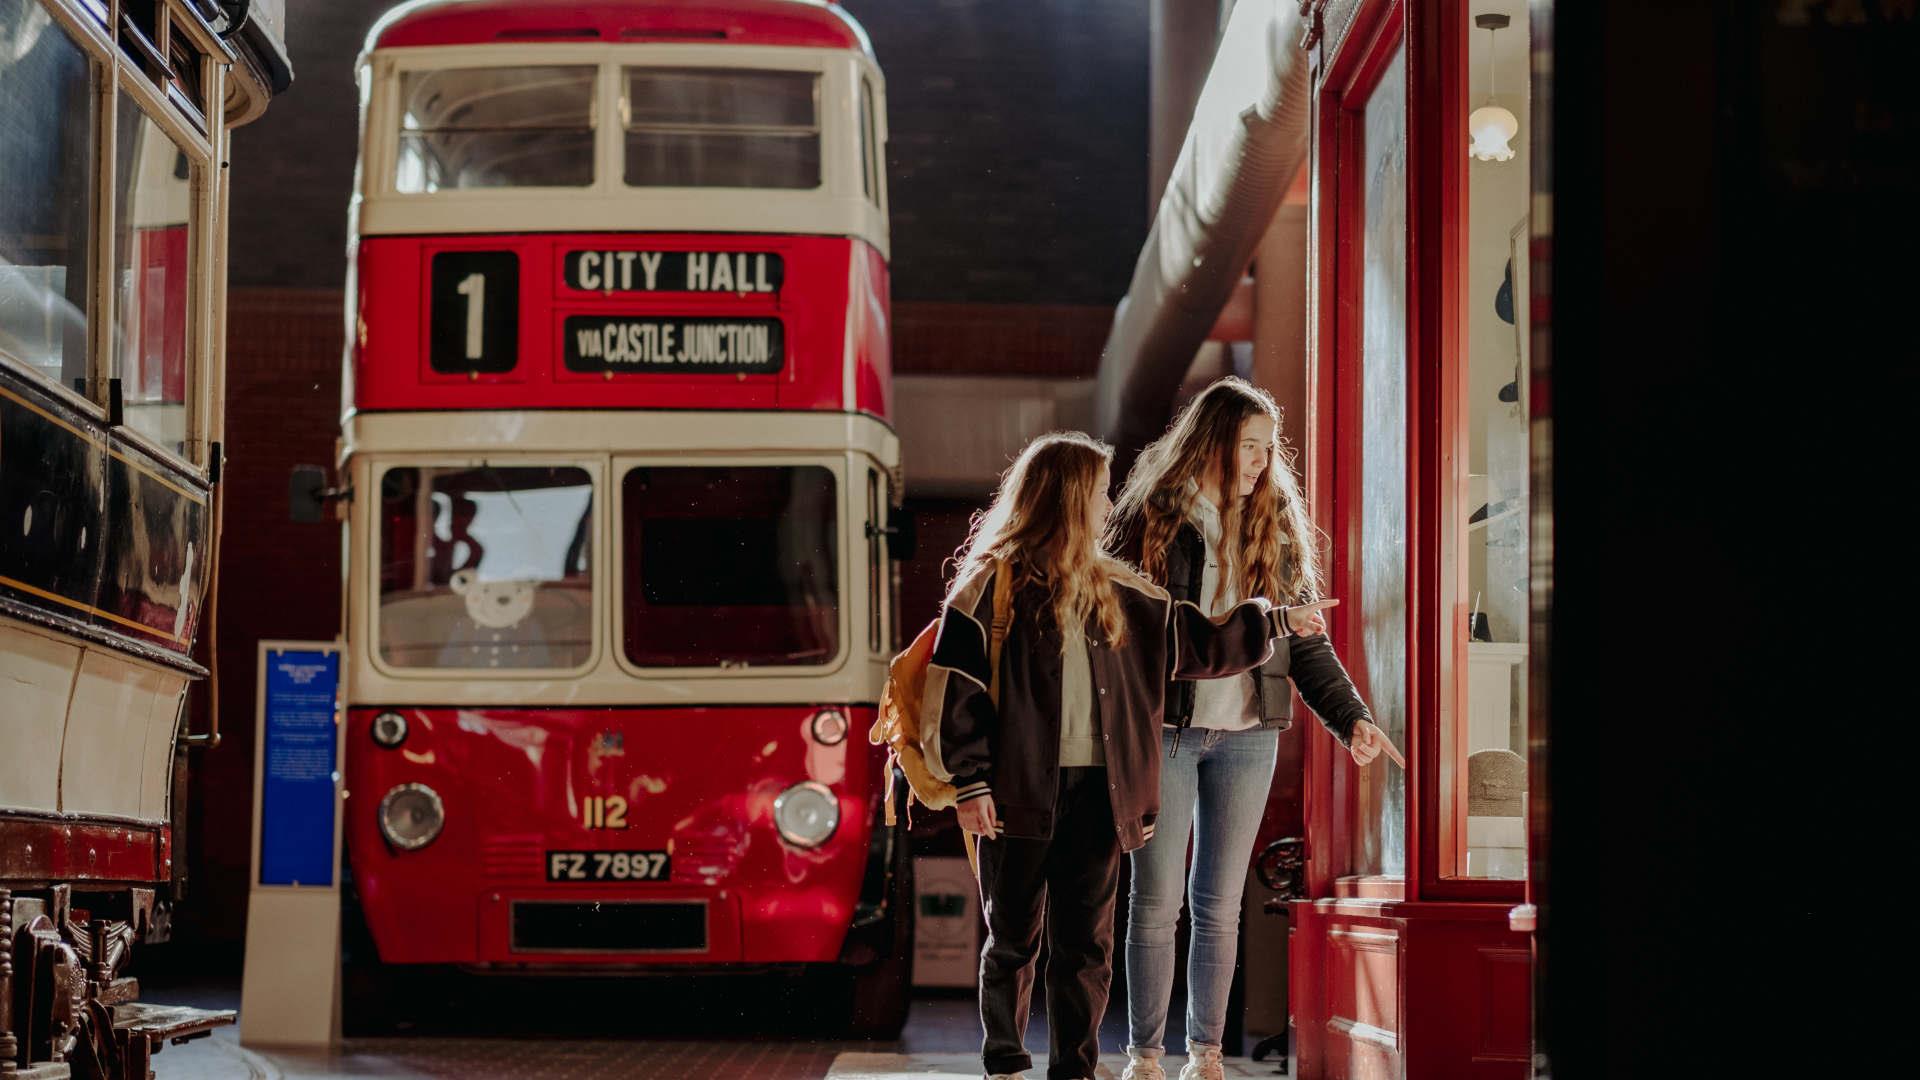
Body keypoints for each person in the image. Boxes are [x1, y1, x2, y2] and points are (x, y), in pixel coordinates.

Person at [921, 431, 1331, 1080]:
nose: (1107, 506)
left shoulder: (1129, 594)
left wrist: (1274, 622)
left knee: (1086, 945)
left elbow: (1203, 646)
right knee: (1013, 942)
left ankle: (1074, 1070)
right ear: (1069, 496)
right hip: (1013, 793)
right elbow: (957, 693)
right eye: (1100, 493)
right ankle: (1003, 1063)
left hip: (1101, 794)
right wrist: (969, 786)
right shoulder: (989, 590)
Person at [1106, 378, 1385, 1080]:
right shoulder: (1149, 516)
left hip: (1249, 733)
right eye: (1248, 446)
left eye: (1268, 448)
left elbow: (1303, 640)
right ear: (1210, 443)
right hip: (1166, 730)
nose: (1261, 461)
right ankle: (1145, 1055)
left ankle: (1204, 1054)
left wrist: (1351, 717)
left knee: (1219, 903)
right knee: (1156, 898)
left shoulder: (1275, 524)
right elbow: (1125, 633)